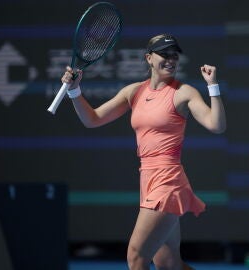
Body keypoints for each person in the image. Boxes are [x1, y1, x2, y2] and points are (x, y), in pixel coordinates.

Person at [61, 33, 226, 270]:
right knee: (169, 265)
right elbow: (92, 119)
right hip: (147, 180)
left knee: (136, 257)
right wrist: (74, 91)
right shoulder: (133, 92)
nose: (171, 59)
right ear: (149, 58)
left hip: (168, 181)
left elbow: (216, 125)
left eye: (174, 55)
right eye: (164, 54)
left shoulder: (184, 93)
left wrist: (213, 87)